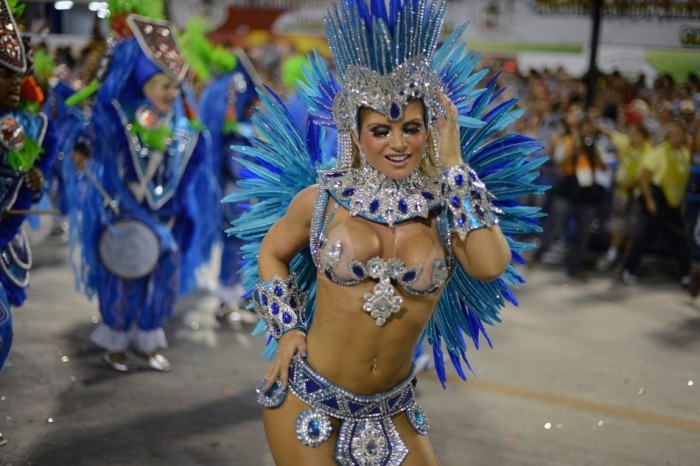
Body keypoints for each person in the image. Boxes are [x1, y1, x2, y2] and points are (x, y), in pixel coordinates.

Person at [226, 1, 545, 464]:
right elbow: (271, 252)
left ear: (431, 130)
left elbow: (491, 265)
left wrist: (454, 169)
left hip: (393, 407)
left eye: (411, 127)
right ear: (355, 135)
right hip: (309, 400)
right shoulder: (324, 200)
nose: (398, 143)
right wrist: (287, 329)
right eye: (381, 130)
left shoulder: (445, 208)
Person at [64, 11, 218, 372]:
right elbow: (94, 132)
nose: (171, 93)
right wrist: (83, 148)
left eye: (174, 86)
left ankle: (148, 338)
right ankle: (116, 339)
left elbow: (190, 173)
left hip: (165, 220)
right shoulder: (122, 122)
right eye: (162, 85)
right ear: (143, 87)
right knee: (123, 275)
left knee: (165, 273)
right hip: (125, 214)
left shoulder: (186, 132)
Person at [0, 0, 58, 445]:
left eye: (19, 76)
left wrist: (33, 182)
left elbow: (21, 195)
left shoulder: (20, 128)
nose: (17, 84)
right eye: (6, 75)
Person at [620, 119, 692, 286]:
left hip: (673, 202)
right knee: (642, 236)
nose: (675, 137)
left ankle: (686, 273)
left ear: (683, 136)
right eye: (672, 133)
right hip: (657, 198)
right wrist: (650, 200)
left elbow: (682, 180)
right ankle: (628, 270)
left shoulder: (685, 153)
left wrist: (681, 200)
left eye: (678, 133)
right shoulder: (659, 151)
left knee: (679, 238)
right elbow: (644, 177)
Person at [594, 123, 653, 271]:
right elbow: (612, 134)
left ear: (642, 136)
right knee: (617, 225)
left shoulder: (648, 151)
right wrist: (599, 127)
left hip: (637, 195)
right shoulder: (627, 143)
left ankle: (628, 259)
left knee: (632, 227)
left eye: (634, 134)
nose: (631, 137)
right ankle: (612, 255)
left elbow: (645, 174)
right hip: (621, 193)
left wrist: (632, 183)